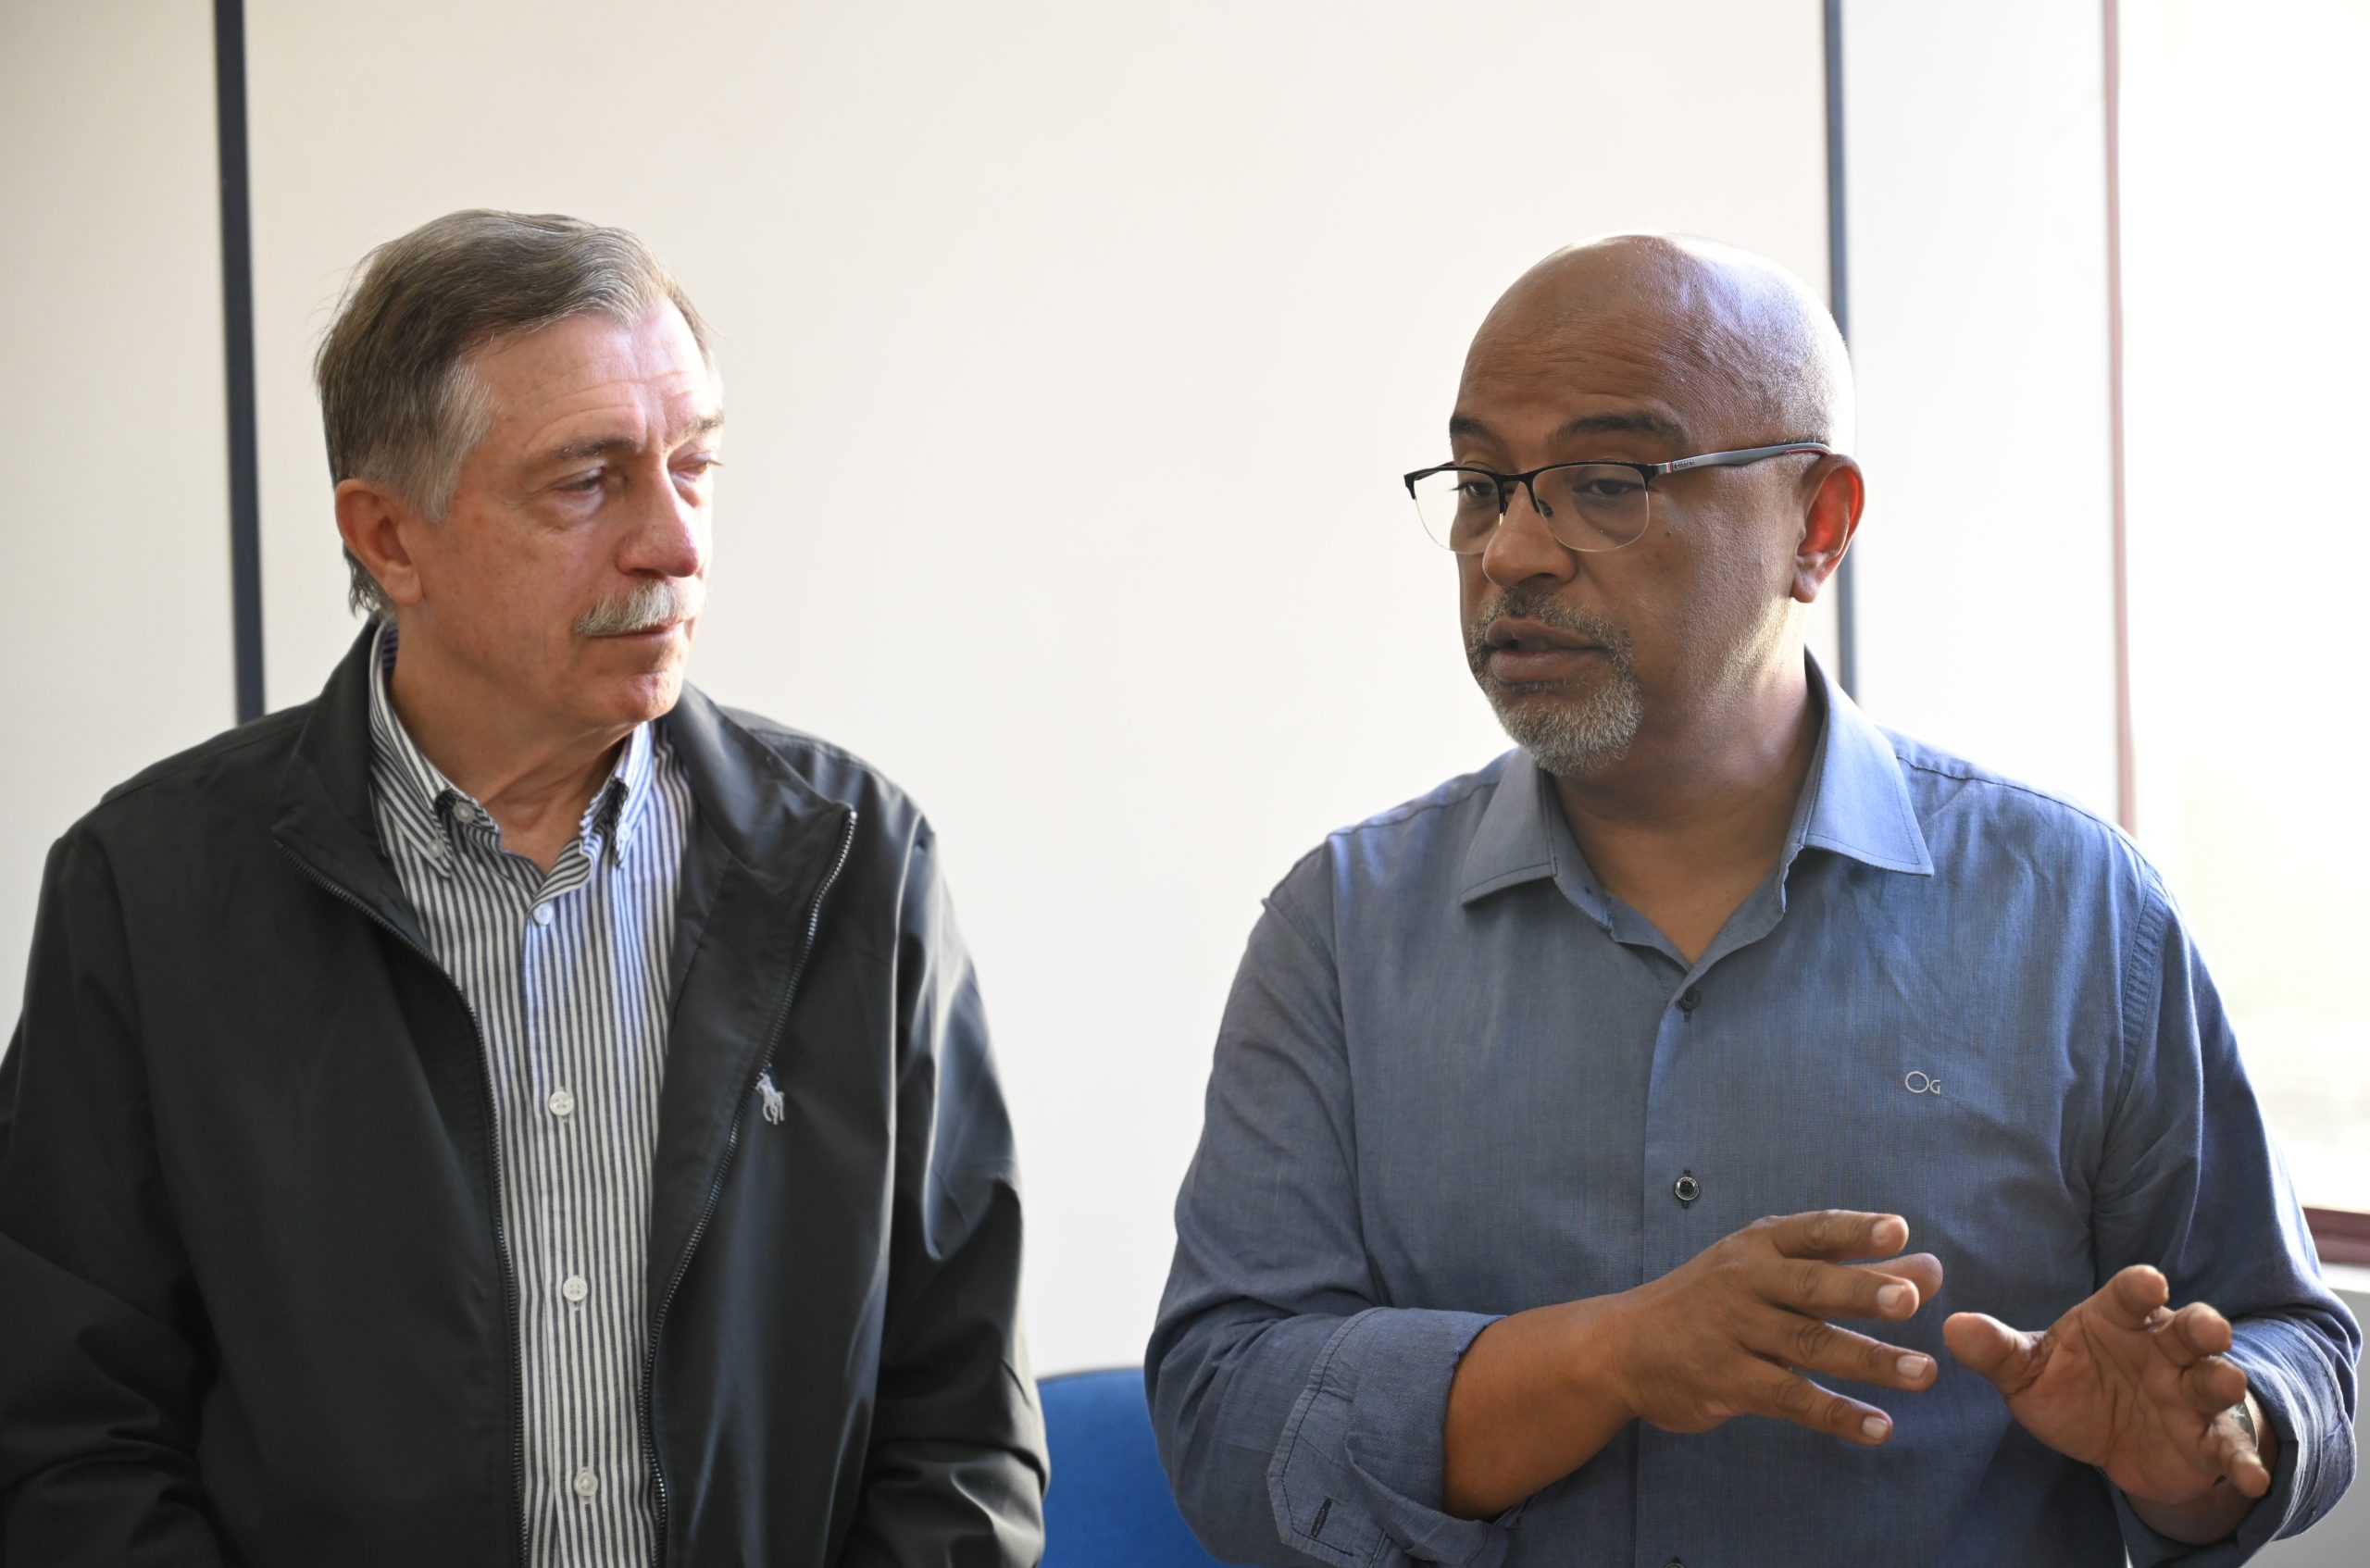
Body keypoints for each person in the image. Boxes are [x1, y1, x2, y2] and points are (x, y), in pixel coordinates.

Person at [1147, 234, 2358, 1566]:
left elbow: (2284, 1342)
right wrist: (1609, 1355)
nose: (1514, 551)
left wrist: (2206, 1449)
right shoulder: (1341, 932)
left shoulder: (2075, 914)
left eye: (1607, 484)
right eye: (1482, 487)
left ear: (1817, 526)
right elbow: (1223, 1416)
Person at [0, 210, 1045, 1567]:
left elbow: (962, 1432)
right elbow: (69, 1443)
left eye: (694, 465)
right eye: (588, 481)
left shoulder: (855, 862)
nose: (675, 543)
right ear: (390, 538)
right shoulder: (149, 896)